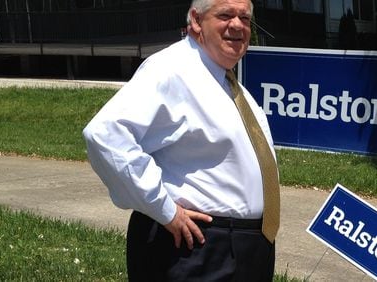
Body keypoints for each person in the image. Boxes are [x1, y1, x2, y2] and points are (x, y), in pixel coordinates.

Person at [82, 0, 280, 281]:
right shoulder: (171, 70)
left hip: (246, 249)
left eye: (245, 19)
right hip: (196, 248)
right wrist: (165, 210)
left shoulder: (228, 84)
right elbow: (105, 135)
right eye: (225, 15)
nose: (237, 25)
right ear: (197, 21)